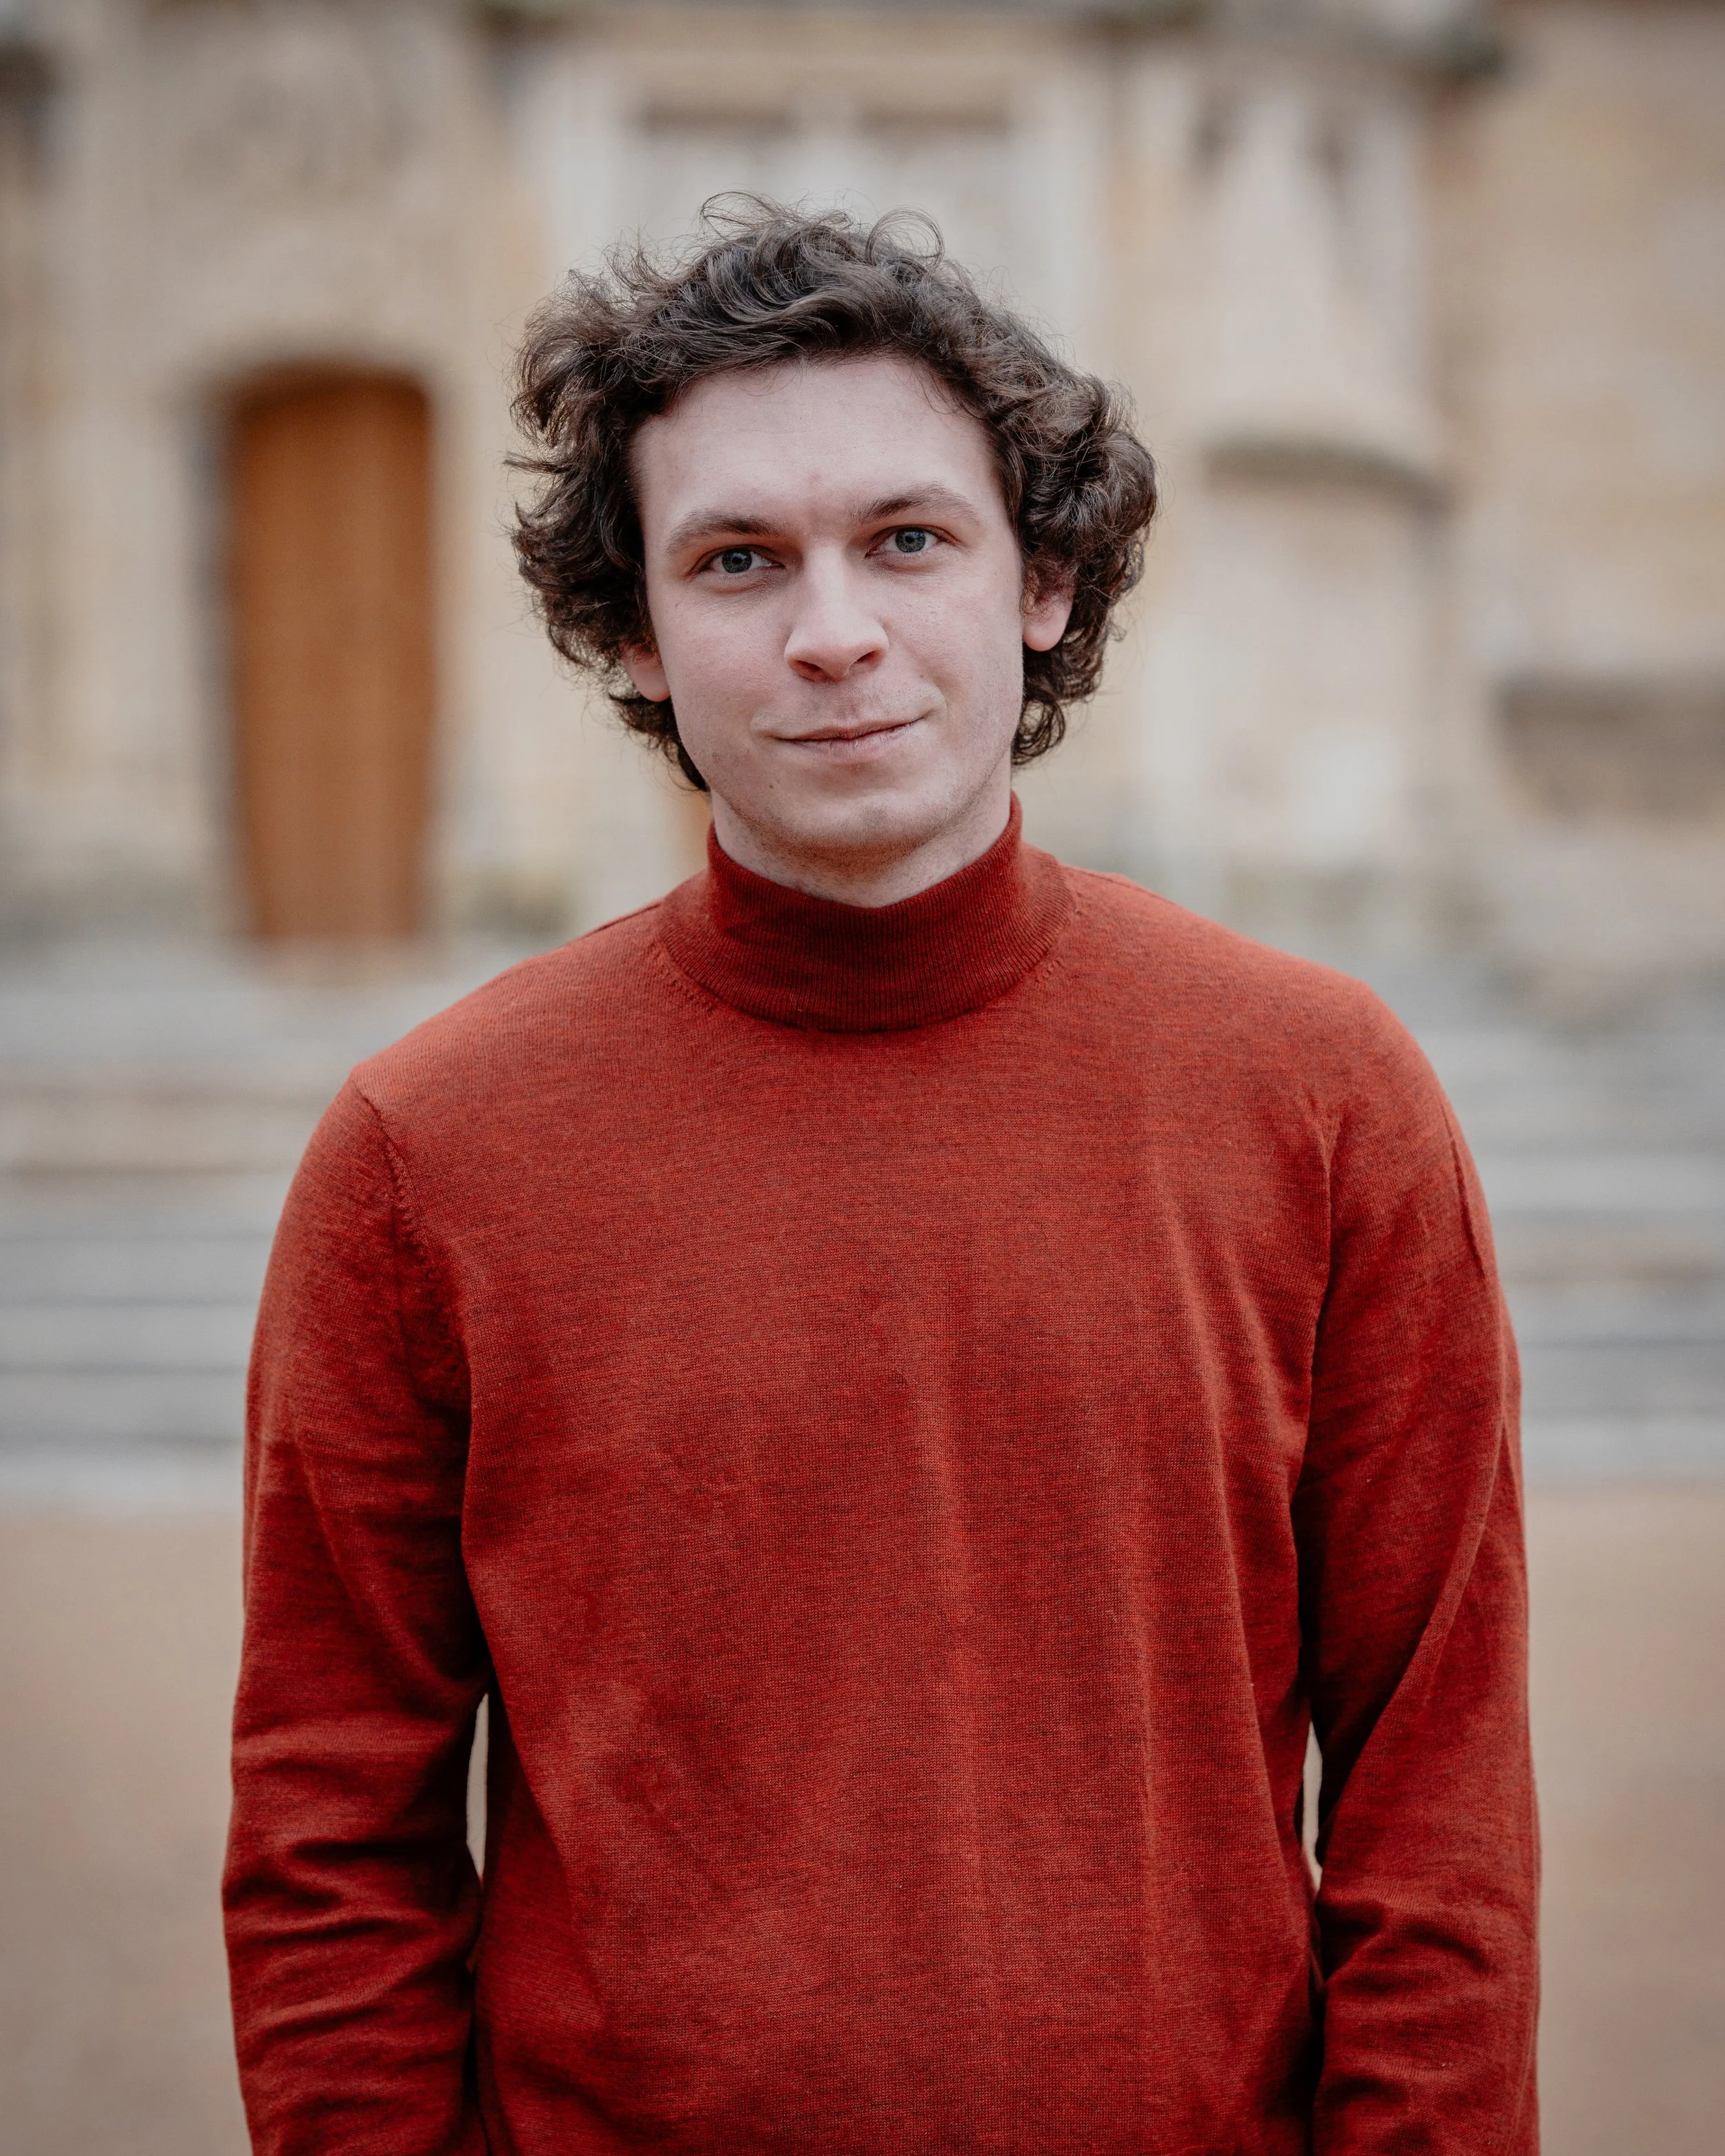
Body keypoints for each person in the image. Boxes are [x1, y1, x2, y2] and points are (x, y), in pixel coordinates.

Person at [224, 201, 1538, 2155]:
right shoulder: (427, 1153)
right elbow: (335, 1842)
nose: (830, 628)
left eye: (906, 539)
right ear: (634, 633)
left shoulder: (1320, 1096)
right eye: (736, 559)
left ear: (1041, 580)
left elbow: (1438, 1801)